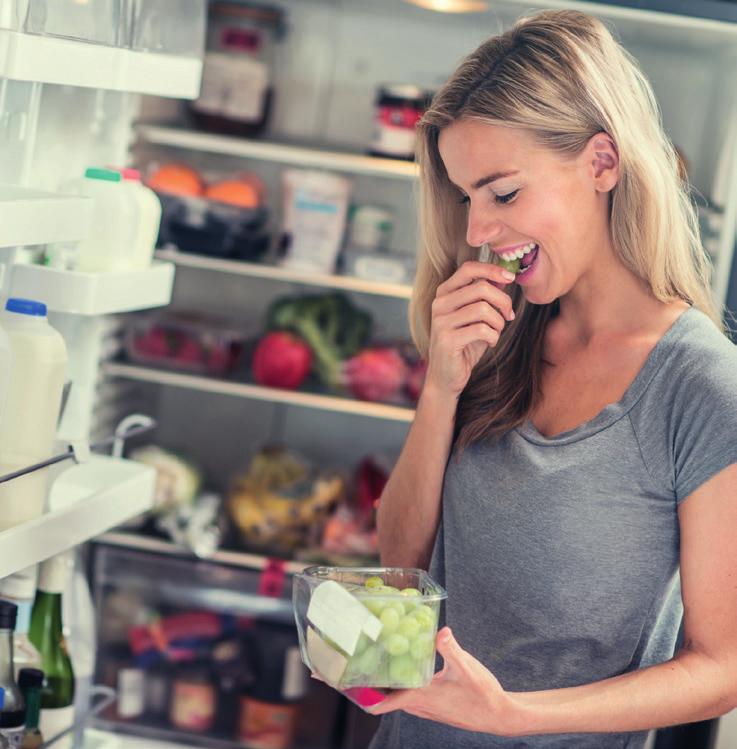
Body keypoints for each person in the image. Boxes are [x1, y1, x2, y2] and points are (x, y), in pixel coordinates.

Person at [368, 9, 737, 749]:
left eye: (501, 193)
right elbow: (400, 565)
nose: (476, 230)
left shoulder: (702, 386)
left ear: (601, 164)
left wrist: (514, 716)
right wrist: (439, 387)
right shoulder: (493, 336)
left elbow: (721, 666)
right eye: (465, 196)